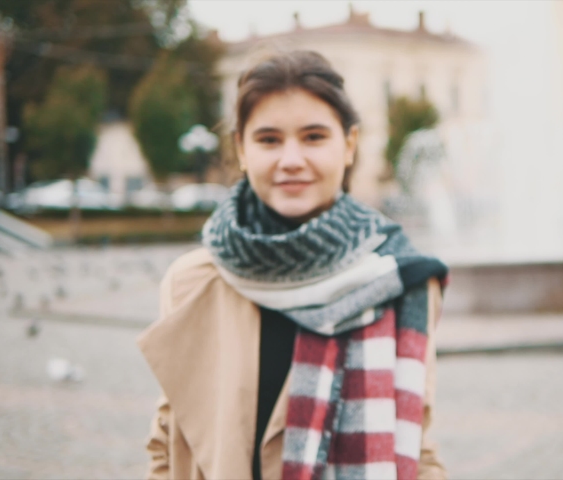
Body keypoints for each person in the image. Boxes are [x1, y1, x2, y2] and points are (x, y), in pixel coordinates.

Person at [137, 50, 449, 480]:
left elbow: (417, 445)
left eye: (314, 136)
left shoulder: (401, 281)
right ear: (241, 150)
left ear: (349, 145)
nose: (291, 160)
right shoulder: (194, 282)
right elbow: (168, 441)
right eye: (268, 139)